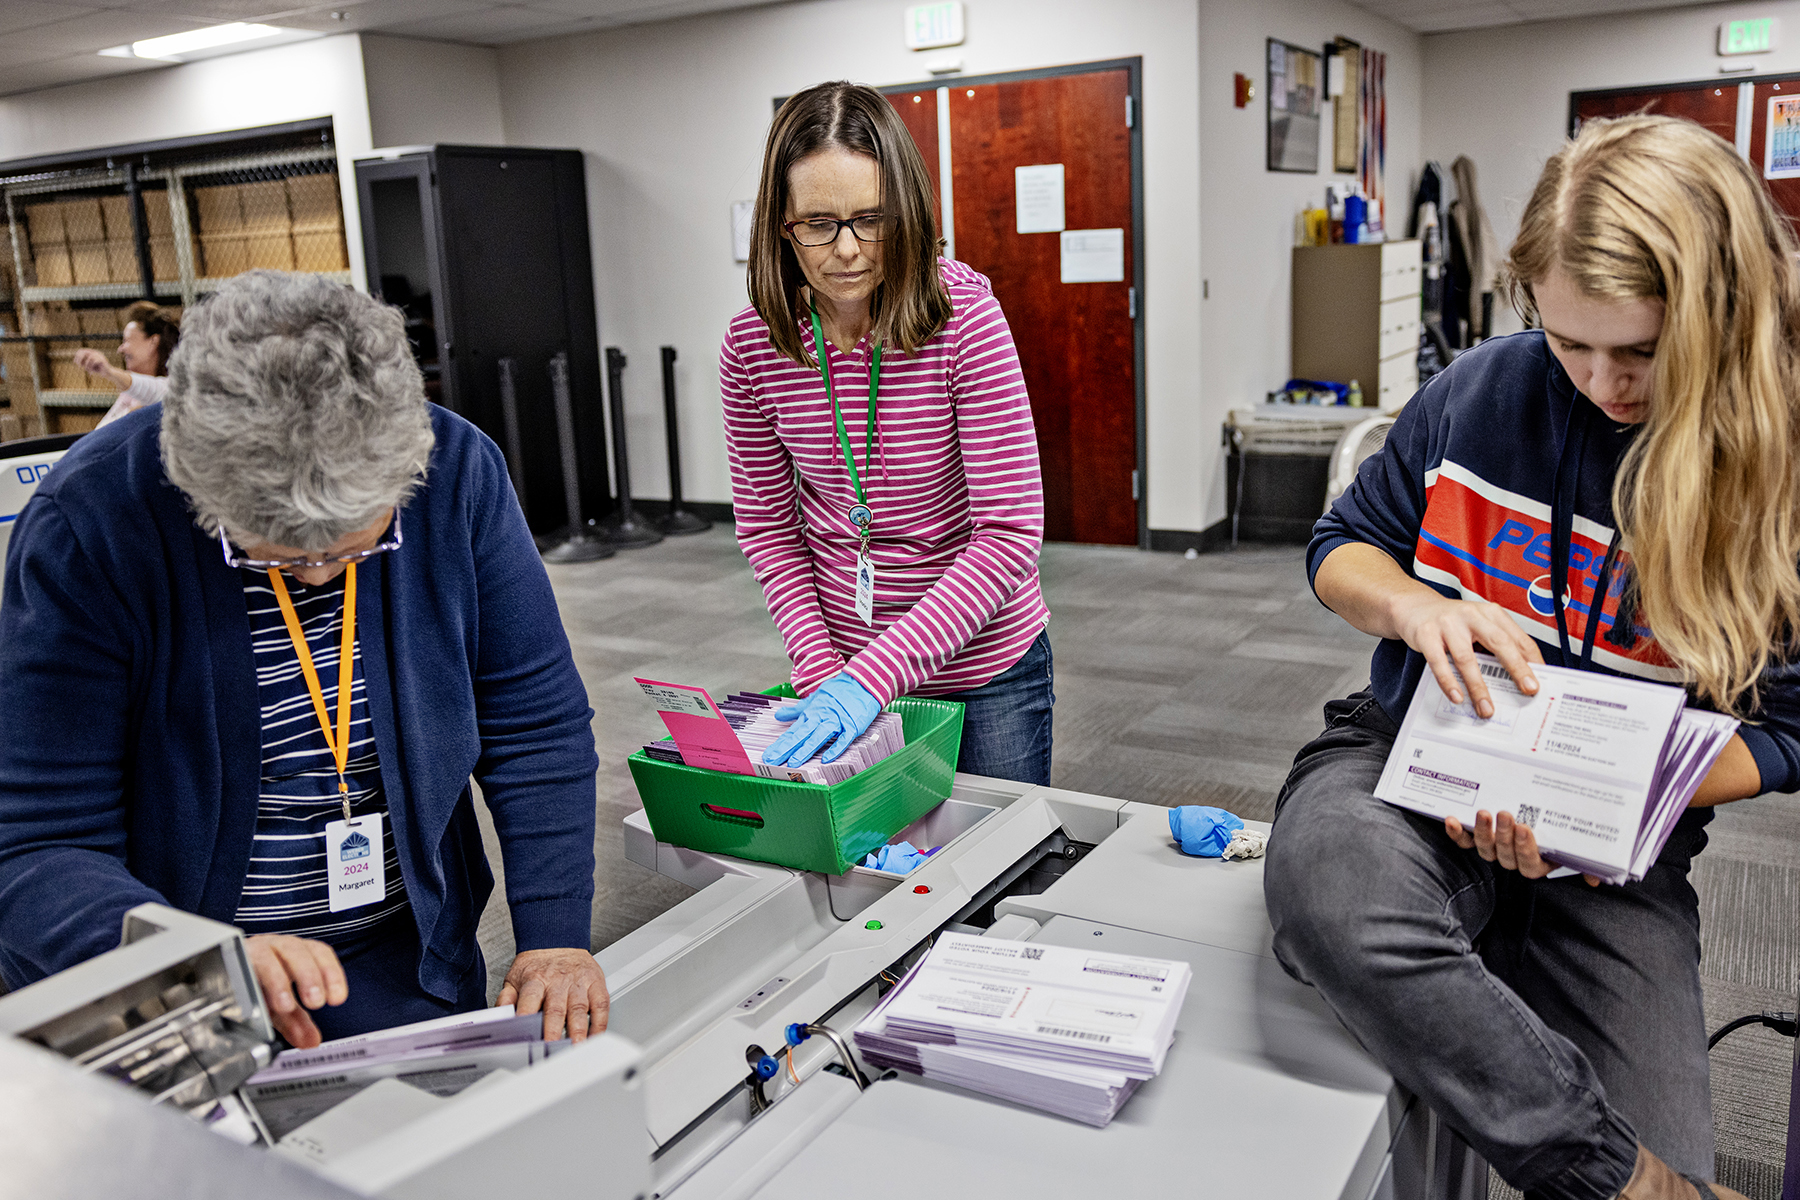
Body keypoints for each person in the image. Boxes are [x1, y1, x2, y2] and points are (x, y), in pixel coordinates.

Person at [1265, 115, 1800, 1200]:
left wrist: (1608, 794)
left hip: (1614, 852)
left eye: (1642, 353)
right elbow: (1342, 547)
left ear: (1723, 320)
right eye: (1569, 344)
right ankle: (1620, 1178)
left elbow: (1787, 732)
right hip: (1405, 762)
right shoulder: (1482, 387)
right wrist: (1417, 609)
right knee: (1329, 894)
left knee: (1632, 1095)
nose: (1602, 382)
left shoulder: (1776, 464)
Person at [0, 271, 608, 1049]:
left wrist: (555, 931)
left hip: (402, 953)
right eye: (278, 559)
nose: (321, 572)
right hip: (171, 992)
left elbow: (535, 722)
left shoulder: (456, 471)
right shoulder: (90, 524)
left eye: (358, 545)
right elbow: (40, 844)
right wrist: (199, 962)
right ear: (198, 488)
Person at [722, 81, 1053, 785]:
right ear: (780, 224)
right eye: (817, 223)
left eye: (870, 219)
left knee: (997, 871)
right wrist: (824, 671)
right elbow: (770, 530)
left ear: (904, 213)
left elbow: (1009, 532)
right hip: (839, 664)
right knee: (871, 875)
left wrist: (874, 678)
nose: (846, 250)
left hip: (985, 666)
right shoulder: (754, 345)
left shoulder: (962, 315)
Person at [72, 300, 179, 428]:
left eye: (126, 340)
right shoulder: (128, 396)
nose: (121, 349)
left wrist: (109, 371)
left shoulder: (172, 391)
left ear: (153, 342)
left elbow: (155, 390)